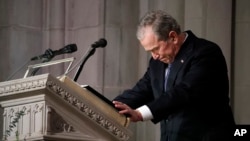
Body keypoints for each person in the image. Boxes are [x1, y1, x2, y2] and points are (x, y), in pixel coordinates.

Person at [113, 10, 235, 141]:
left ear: (173, 37)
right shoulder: (157, 61)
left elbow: (184, 91)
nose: (154, 56)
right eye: (150, 51)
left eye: (155, 49)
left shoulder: (205, 52)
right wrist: (108, 107)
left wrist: (140, 114)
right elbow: (142, 89)